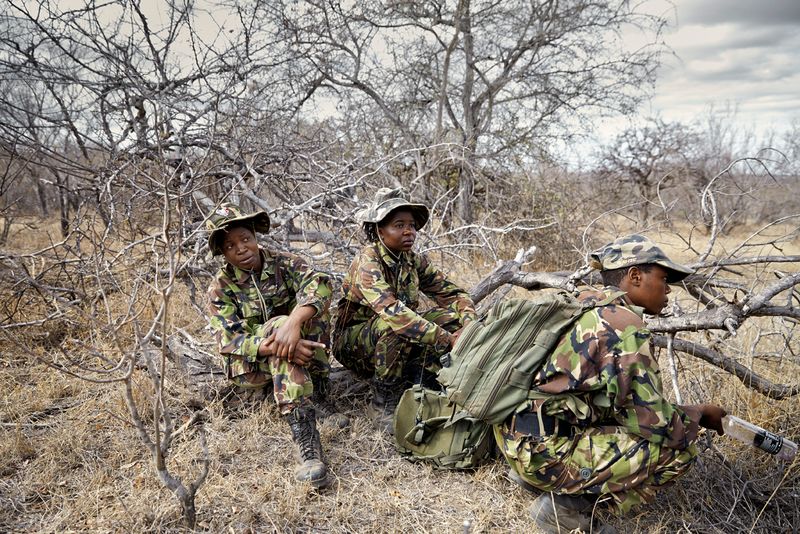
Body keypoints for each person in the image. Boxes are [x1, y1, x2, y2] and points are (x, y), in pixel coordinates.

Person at [494, 234, 727, 533]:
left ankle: (542, 479)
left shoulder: (583, 301)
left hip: (514, 441)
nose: (668, 289)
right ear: (635, 276)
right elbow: (655, 424)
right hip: (545, 454)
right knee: (680, 451)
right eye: (663, 278)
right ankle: (566, 509)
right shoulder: (624, 325)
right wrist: (700, 415)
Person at [205, 203, 349, 489]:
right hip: (251, 368)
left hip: (297, 351)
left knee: (309, 314)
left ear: (255, 236)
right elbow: (230, 340)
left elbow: (320, 285)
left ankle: (318, 393)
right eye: (231, 246)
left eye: (245, 239)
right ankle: (306, 440)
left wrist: (294, 323)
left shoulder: (284, 263)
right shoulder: (220, 287)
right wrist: (282, 344)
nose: (241, 249)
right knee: (277, 326)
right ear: (222, 252)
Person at [332, 188, 477, 431]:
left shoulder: (411, 259)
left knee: (450, 318)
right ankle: (382, 403)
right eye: (399, 225)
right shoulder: (368, 261)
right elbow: (395, 314)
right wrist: (447, 339)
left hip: (394, 340)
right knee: (395, 326)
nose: (409, 232)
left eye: (411, 225)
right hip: (353, 344)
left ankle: (433, 381)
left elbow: (454, 294)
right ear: (380, 230)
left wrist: (469, 323)